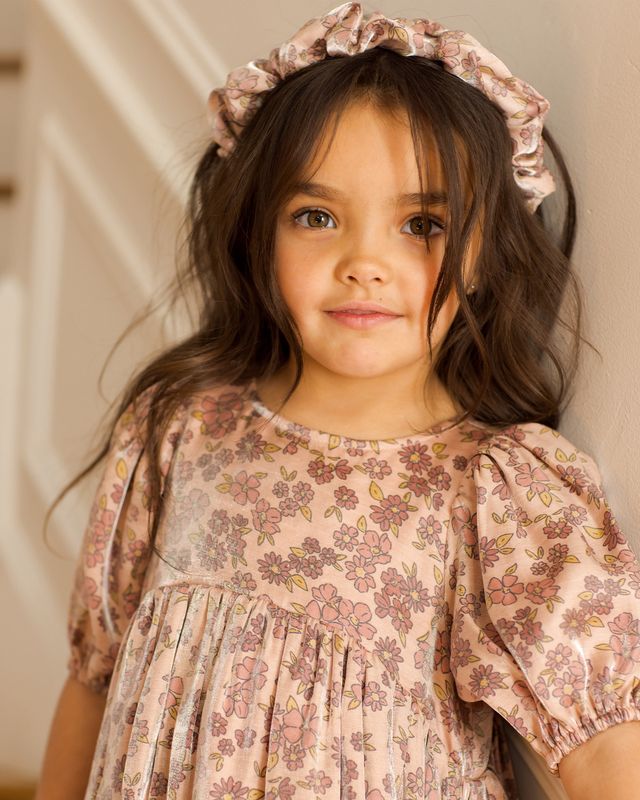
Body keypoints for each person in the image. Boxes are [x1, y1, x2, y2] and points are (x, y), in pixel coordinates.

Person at [35, 3, 640, 799]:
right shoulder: (180, 427)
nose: (364, 261)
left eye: (422, 222)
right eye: (316, 216)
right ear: (258, 232)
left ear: (491, 253)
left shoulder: (495, 489)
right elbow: (93, 679)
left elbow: (601, 746)